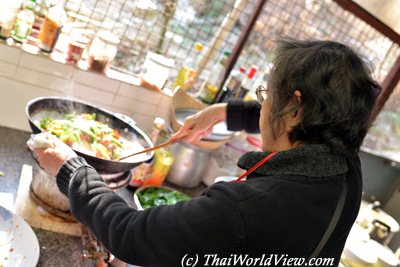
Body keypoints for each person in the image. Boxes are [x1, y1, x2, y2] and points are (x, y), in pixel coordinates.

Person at [33, 38, 381, 267]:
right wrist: (225, 113)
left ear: (294, 109)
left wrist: (71, 169)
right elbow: (313, 120)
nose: (262, 106)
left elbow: (130, 234)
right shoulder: (345, 168)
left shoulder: (249, 206)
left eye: (266, 96)